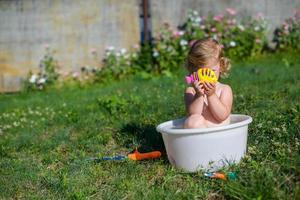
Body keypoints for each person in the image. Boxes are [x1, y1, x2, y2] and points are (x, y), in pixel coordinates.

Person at [183, 38, 233, 128]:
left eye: (212, 71)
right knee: (193, 121)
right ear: (193, 70)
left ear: (220, 66)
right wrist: (198, 95)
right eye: (202, 72)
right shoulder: (191, 91)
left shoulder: (224, 89)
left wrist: (211, 95)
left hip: (220, 134)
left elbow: (222, 116)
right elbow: (193, 114)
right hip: (200, 133)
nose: (207, 77)